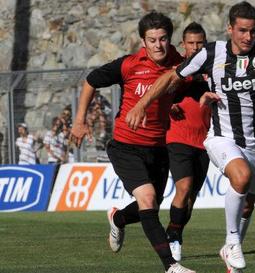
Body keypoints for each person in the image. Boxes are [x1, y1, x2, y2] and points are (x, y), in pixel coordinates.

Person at [125, 2, 255, 272]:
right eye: (242, 30)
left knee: (248, 205)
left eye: (253, 31)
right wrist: (142, 104)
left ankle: (230, 253)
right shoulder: (212, 53)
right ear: (230, 28)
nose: (248, 37)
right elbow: (171, 77)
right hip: (222, 137)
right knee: (240, 177)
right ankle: (232, 242)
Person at [70, 10, 195, 273]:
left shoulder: (180, 64)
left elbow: (186, 90)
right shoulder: (129, 64)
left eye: (162, 39)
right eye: (152, 40)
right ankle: (171, 267)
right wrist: (79, 120)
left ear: (169, 39)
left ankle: (117, 218)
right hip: (126, 146)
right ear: (143, 41)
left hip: (159, 148)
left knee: (147, 207)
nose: (158, 45)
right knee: (148, 199)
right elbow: (91, 81)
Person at [165, 22, 211, 262]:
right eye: (191, 43)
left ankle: (175, 231)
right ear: (183, 45)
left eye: (199, 43)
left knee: (190, 199)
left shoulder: (214, 68)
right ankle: (173, 239)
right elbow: (158, 91)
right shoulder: (177, 69)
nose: (195, 47)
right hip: (178, 138)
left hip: (205, 141)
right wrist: (168, 103)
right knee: (182, 189)